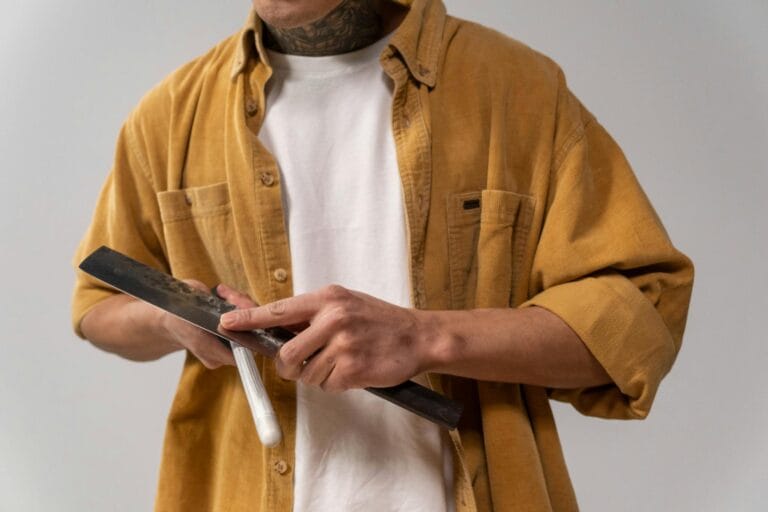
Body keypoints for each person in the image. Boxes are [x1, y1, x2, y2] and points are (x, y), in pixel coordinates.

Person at [71, 0, 694, 510]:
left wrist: (426, 338)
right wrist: (171, 319)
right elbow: (97, 306)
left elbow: (639, 321)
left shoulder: (519, 90)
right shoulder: (169, 115)